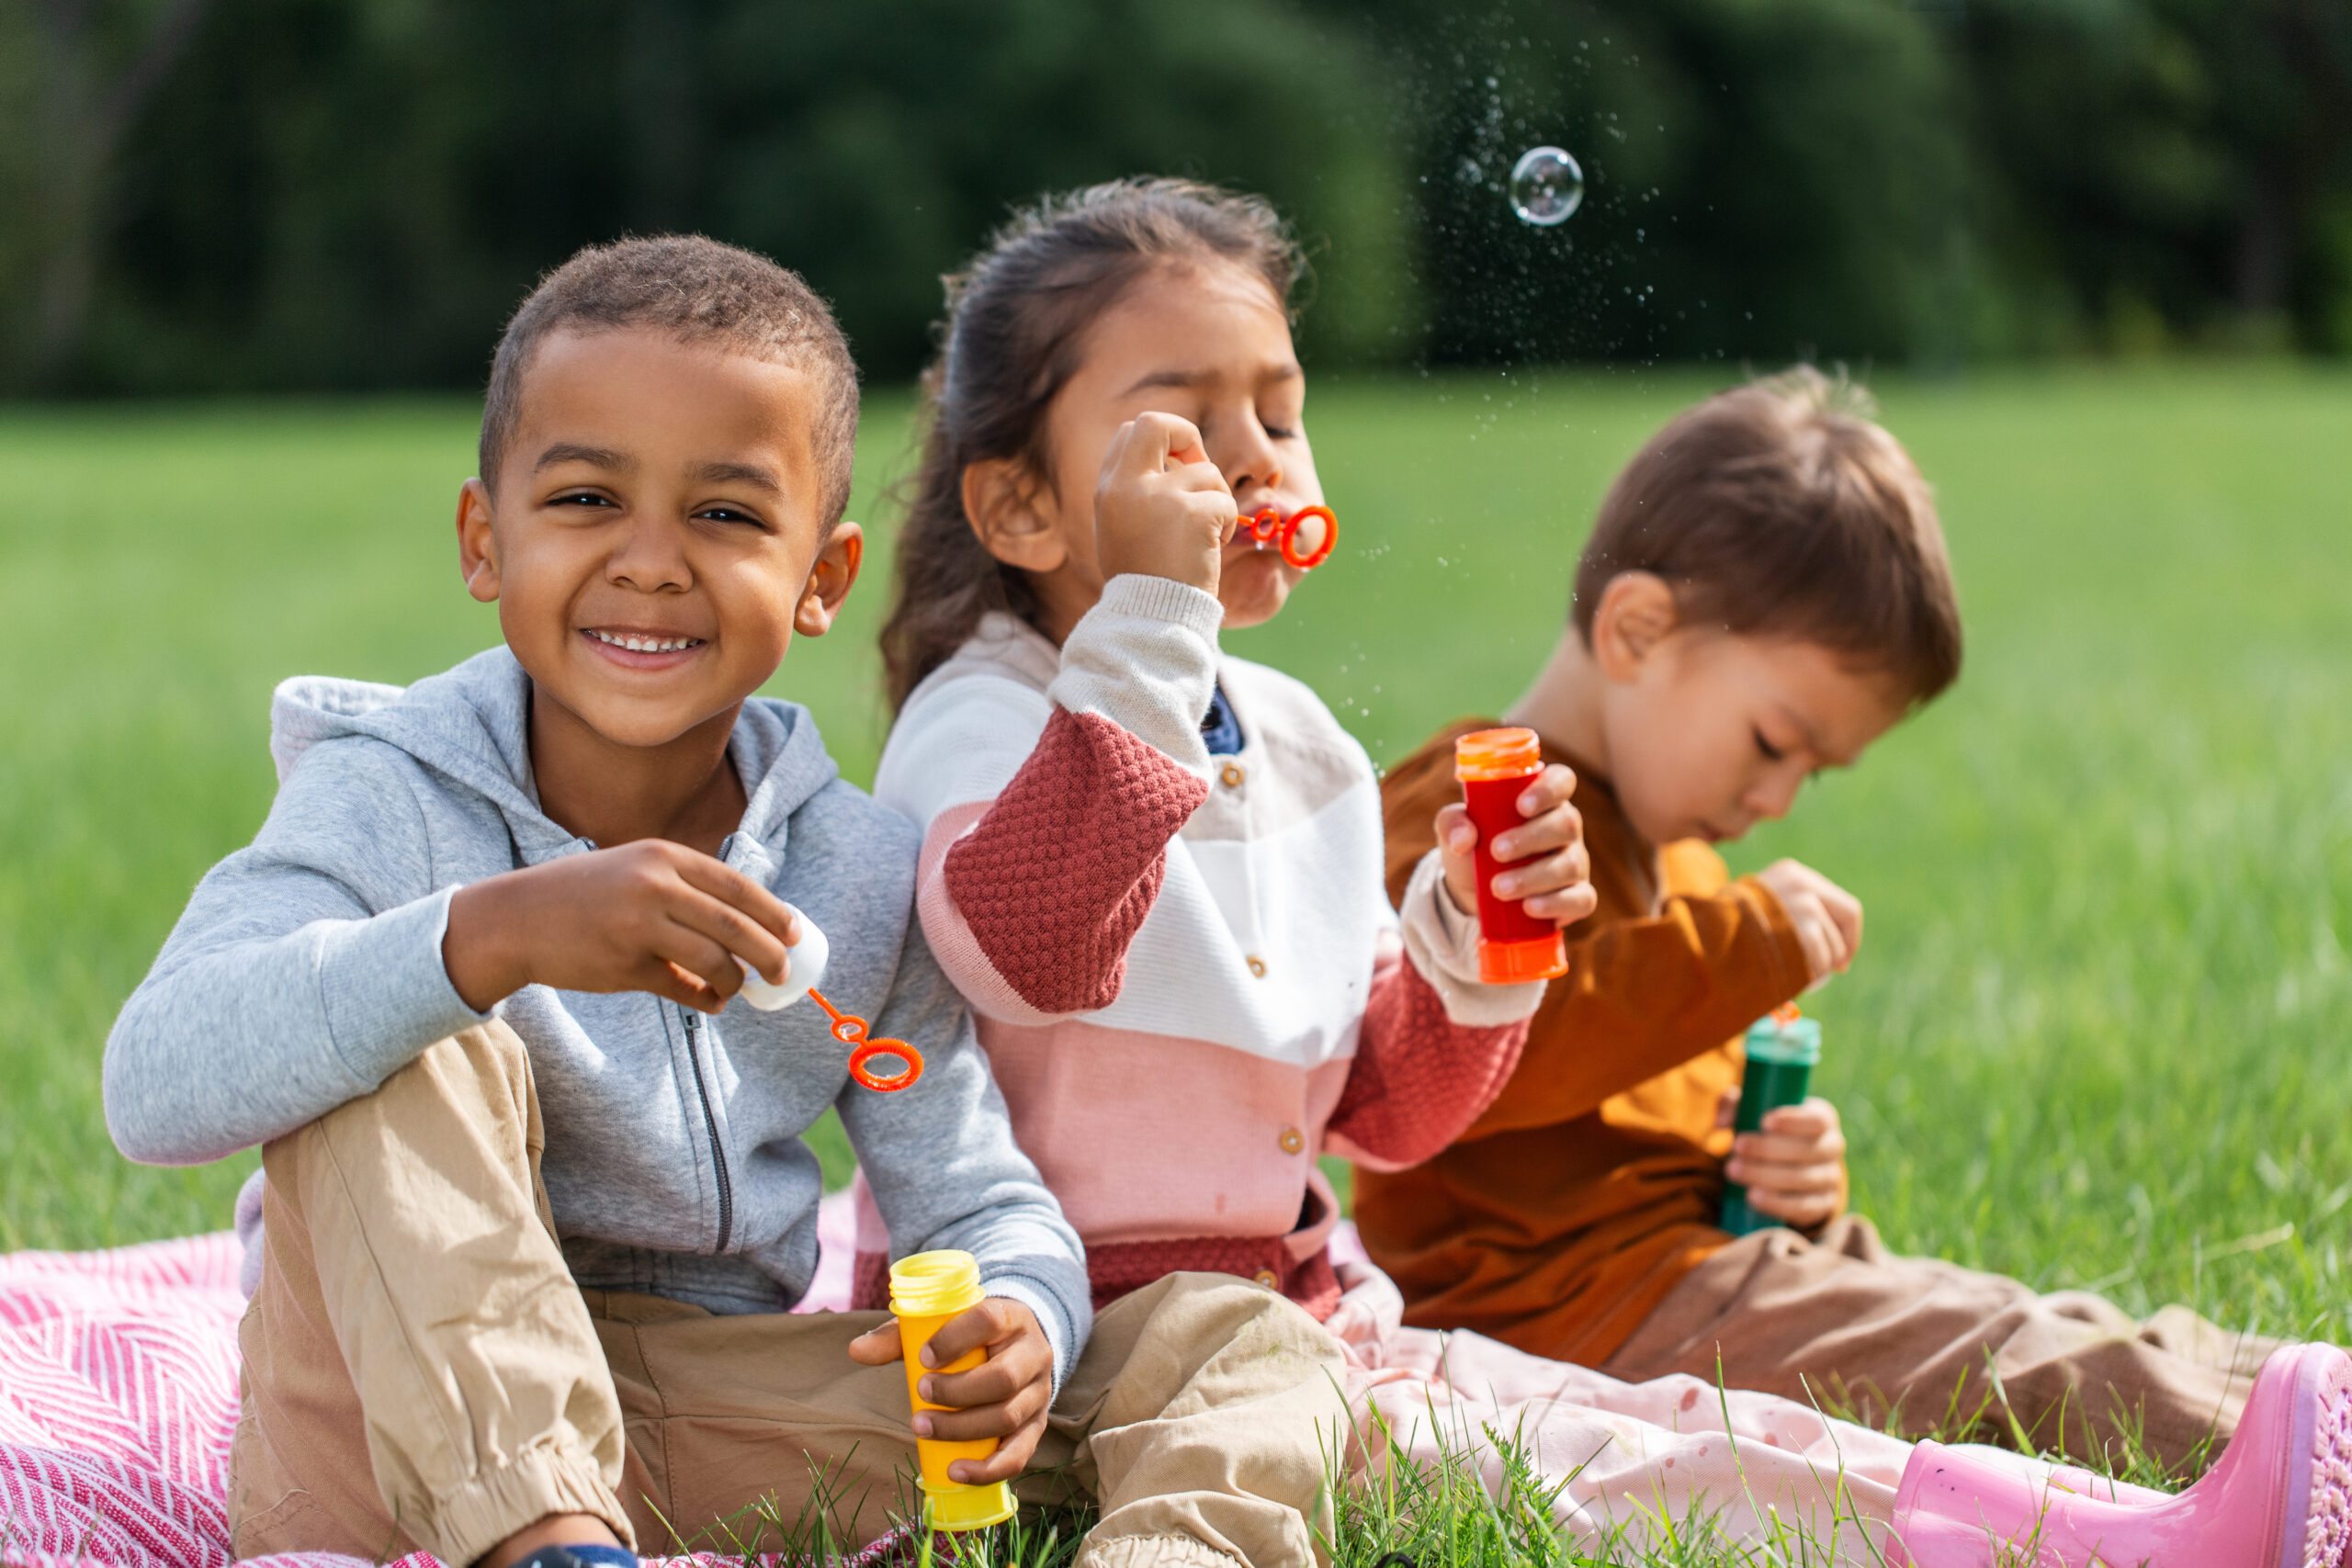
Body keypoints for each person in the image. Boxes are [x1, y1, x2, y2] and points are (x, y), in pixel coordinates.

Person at [102, 235, 1349, 1568]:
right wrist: (489, 936)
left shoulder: (852, 866)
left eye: (729, 513)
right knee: (408, 1039)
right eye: (584, 497)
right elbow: (154, 1079)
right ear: (485, 537)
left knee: (1240, 1338)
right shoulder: (386, 798)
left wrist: (1021, 1318)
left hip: (700, 1402)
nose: (650, 561)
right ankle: (548, 1542)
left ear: (821, 578)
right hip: (379, 1416)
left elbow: (975, 1190)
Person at [1362, 367, 2290, 1474]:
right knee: (1998, 1363)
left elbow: (1649, 1117)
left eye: (1817, 771)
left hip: (1698, 1271)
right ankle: (2293, 1459)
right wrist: (1738, 948)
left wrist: (1780, 1175)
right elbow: (1462, 1077)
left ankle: (2287, 1391)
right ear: (1638, 629)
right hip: (1560, 1313)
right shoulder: (1485, 818)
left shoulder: (1684, 860)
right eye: (1772, 743)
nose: (1778, 800)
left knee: (2008, 1313)